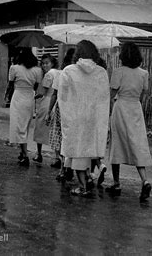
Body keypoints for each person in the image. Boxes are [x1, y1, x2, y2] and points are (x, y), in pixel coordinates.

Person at [57, 40, 110, 197]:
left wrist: (67, 115)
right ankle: (87, 178)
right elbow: (104, 98)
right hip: (93, 117)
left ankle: (82, 186)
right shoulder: (101, 72)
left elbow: (63, 97)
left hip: (75, 116)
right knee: (88, 149)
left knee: (77, 150)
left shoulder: (68, 71)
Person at [106, 42, 152, 202]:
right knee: (137, 143)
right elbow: (143, 95)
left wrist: (111, 108)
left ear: (123, 56)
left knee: (117, 143)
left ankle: (117, 182)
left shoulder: (118, 72)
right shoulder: (143, 73)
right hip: (135, 108)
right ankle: (144, 180)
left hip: (121, 108)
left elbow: (111, 94)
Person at [5, 48, 43, 167]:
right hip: (29, 97)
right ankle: (22, 152)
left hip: (18, 97)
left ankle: (25, 154)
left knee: (18, 125)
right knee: (25, 125)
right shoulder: (37, 70)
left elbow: (10, 84)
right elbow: (36, 86)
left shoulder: (14, 68)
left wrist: (6, 96)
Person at [47, 48, 75, 172]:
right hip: (75, 107)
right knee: (71, 136)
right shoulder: (80, 73)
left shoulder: (62, 73)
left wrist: (49, 111)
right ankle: (69, 165)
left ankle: (63, 167)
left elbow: (54, 94)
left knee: (60, 135)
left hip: (61, 107)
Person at [32, 54, 59, 164]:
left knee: (40, 127)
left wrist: (35, 94)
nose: (44, 65)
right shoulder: (60, 72)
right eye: (43, 64)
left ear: (52, 63)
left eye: (47, 63)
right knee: (56, 130)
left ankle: (39, 153)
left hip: (47, 102)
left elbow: (43, 91)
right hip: (58, 102)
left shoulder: (49, 74)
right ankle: (57, 157)